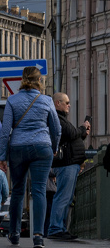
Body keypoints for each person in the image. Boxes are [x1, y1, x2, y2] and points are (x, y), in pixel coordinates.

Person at [0, 67, 60, 248]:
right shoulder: (47, 100)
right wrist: (54, 147)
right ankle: (38, 236)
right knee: (39, 190)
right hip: (42, 147)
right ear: (39, 81)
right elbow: (56, 129)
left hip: (18, 148)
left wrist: (2, 156)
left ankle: (14, 233)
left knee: (17, 190)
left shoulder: (12, 100)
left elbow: (5, 131)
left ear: (22, 79)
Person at [46, 92, 88, 239]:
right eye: (66, 102)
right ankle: (55, 229)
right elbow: (70, 133)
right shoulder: (57, 118)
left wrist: (81, 133)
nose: (69, 105)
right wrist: (82, 129)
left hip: (70, 163)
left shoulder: (61, 118)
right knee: (63, 197)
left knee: (67, 197)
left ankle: (60, 228)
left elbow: (71, 134)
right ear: (58, 103)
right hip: (66, 164)